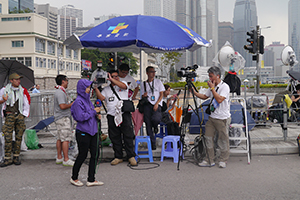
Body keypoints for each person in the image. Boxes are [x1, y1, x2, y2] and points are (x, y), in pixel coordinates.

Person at [191, 66, 231, 168]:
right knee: (208, 138)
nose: (210, 79)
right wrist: (195, 93)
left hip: (222, 118)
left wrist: (212, 88)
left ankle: (223, 159)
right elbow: (205, 96)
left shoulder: (224, 87)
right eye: (209, 76)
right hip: (212, 117)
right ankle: (209, 159)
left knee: (222, 140)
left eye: (211, 76)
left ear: (217, 76)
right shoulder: (212, 87)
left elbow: (219, 99)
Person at [96, 70, 137, 166]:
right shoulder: (106, 89)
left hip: (123, 114)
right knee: (114, 136)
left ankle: (130, 156)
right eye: (113, 76)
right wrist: (96, 88)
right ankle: (118, 156)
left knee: (128, 135)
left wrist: (113, 80)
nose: (115, 78)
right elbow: (101, 98)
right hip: (112, 115)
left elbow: (124, 86)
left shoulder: (123, 84)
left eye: (116, 76)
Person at [69, 79, 104, 187]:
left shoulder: (88, 100)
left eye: (89, 87)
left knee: (95, 155)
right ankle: (74, 177)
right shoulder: (78, 102)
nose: (89, 89)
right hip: (83, 132)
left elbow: (90, 113)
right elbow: (80, 117)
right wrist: (94, 111)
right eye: (88, 87)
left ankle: (91, 179)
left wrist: (97, 116)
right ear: (82, 88)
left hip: (93, 131)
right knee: (82, 155)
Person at [0, 73, 30, 167]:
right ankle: (7, 158)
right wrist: (3, 100)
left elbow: (27, 102)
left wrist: (24, 114)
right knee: (7, 137)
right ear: (11, 80)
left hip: (19, 115)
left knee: (19, 136)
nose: (18, 81)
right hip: (9, 115)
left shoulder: (23, 90)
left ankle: (16, 156)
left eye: (19, 79)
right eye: (16, 79)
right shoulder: (4, 90)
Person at [140, 66, 165, 150]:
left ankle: (155, 126)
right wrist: (144, 96)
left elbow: (162, 94)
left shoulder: (158, 82)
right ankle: (152, 144)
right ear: (147, 73)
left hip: (156, 104)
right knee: (148, 124)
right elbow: (142, 95)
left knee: (156, 119)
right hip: (147, 104)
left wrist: (157, 104)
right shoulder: (144, 84)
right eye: (151, 72)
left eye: (154, 72)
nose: (153, 73)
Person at [54, 75, 74, 167]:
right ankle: (66, 159)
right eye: (66, 81)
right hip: (63, 118)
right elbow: (62, 106)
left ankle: (59, 157)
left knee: (59, 138)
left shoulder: (59, 91)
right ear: (63, 81)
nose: (67, 82)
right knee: (65, 139)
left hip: (59, 118)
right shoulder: (60, 93)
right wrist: (71, 104)